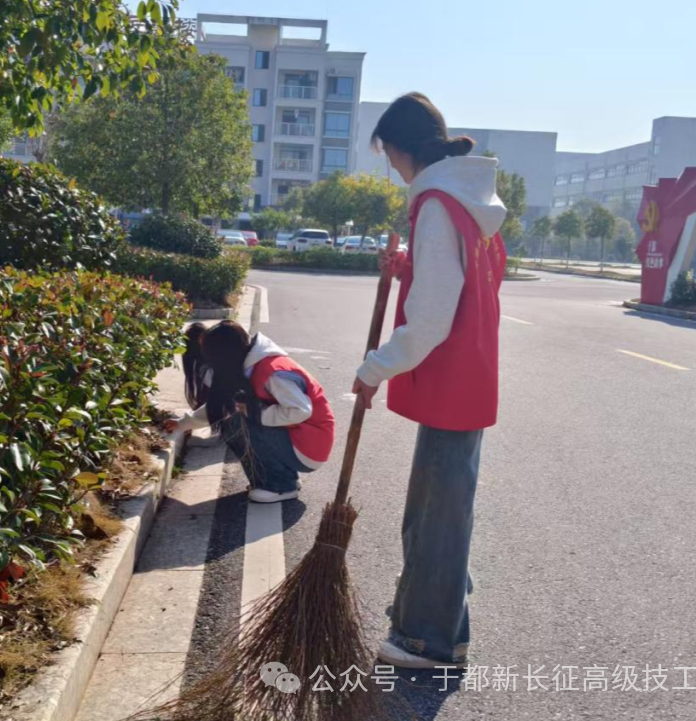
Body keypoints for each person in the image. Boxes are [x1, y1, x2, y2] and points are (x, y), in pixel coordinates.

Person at [352, 92, 507, 669]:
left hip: (450, 378)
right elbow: (463, 283)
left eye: (390, 156)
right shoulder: (468, 201)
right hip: (468, 374)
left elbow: (433, 318)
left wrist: (374, 368)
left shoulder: (439, 204)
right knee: (442, 503)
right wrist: (409, 267)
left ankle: (427, 639)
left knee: (436, 512)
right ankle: (437, 616)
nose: (392, 169)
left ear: (403, 148)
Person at [166, 320, 335, 503]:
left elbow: (300, 411)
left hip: (309, 445)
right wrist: (182, 424)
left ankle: (281, 487)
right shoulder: (249, 365)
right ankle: (282, 479)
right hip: (297, 438)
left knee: (237, 423)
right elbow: (220, 406)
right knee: (232, 417)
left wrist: (256, 413)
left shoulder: (272, 372)